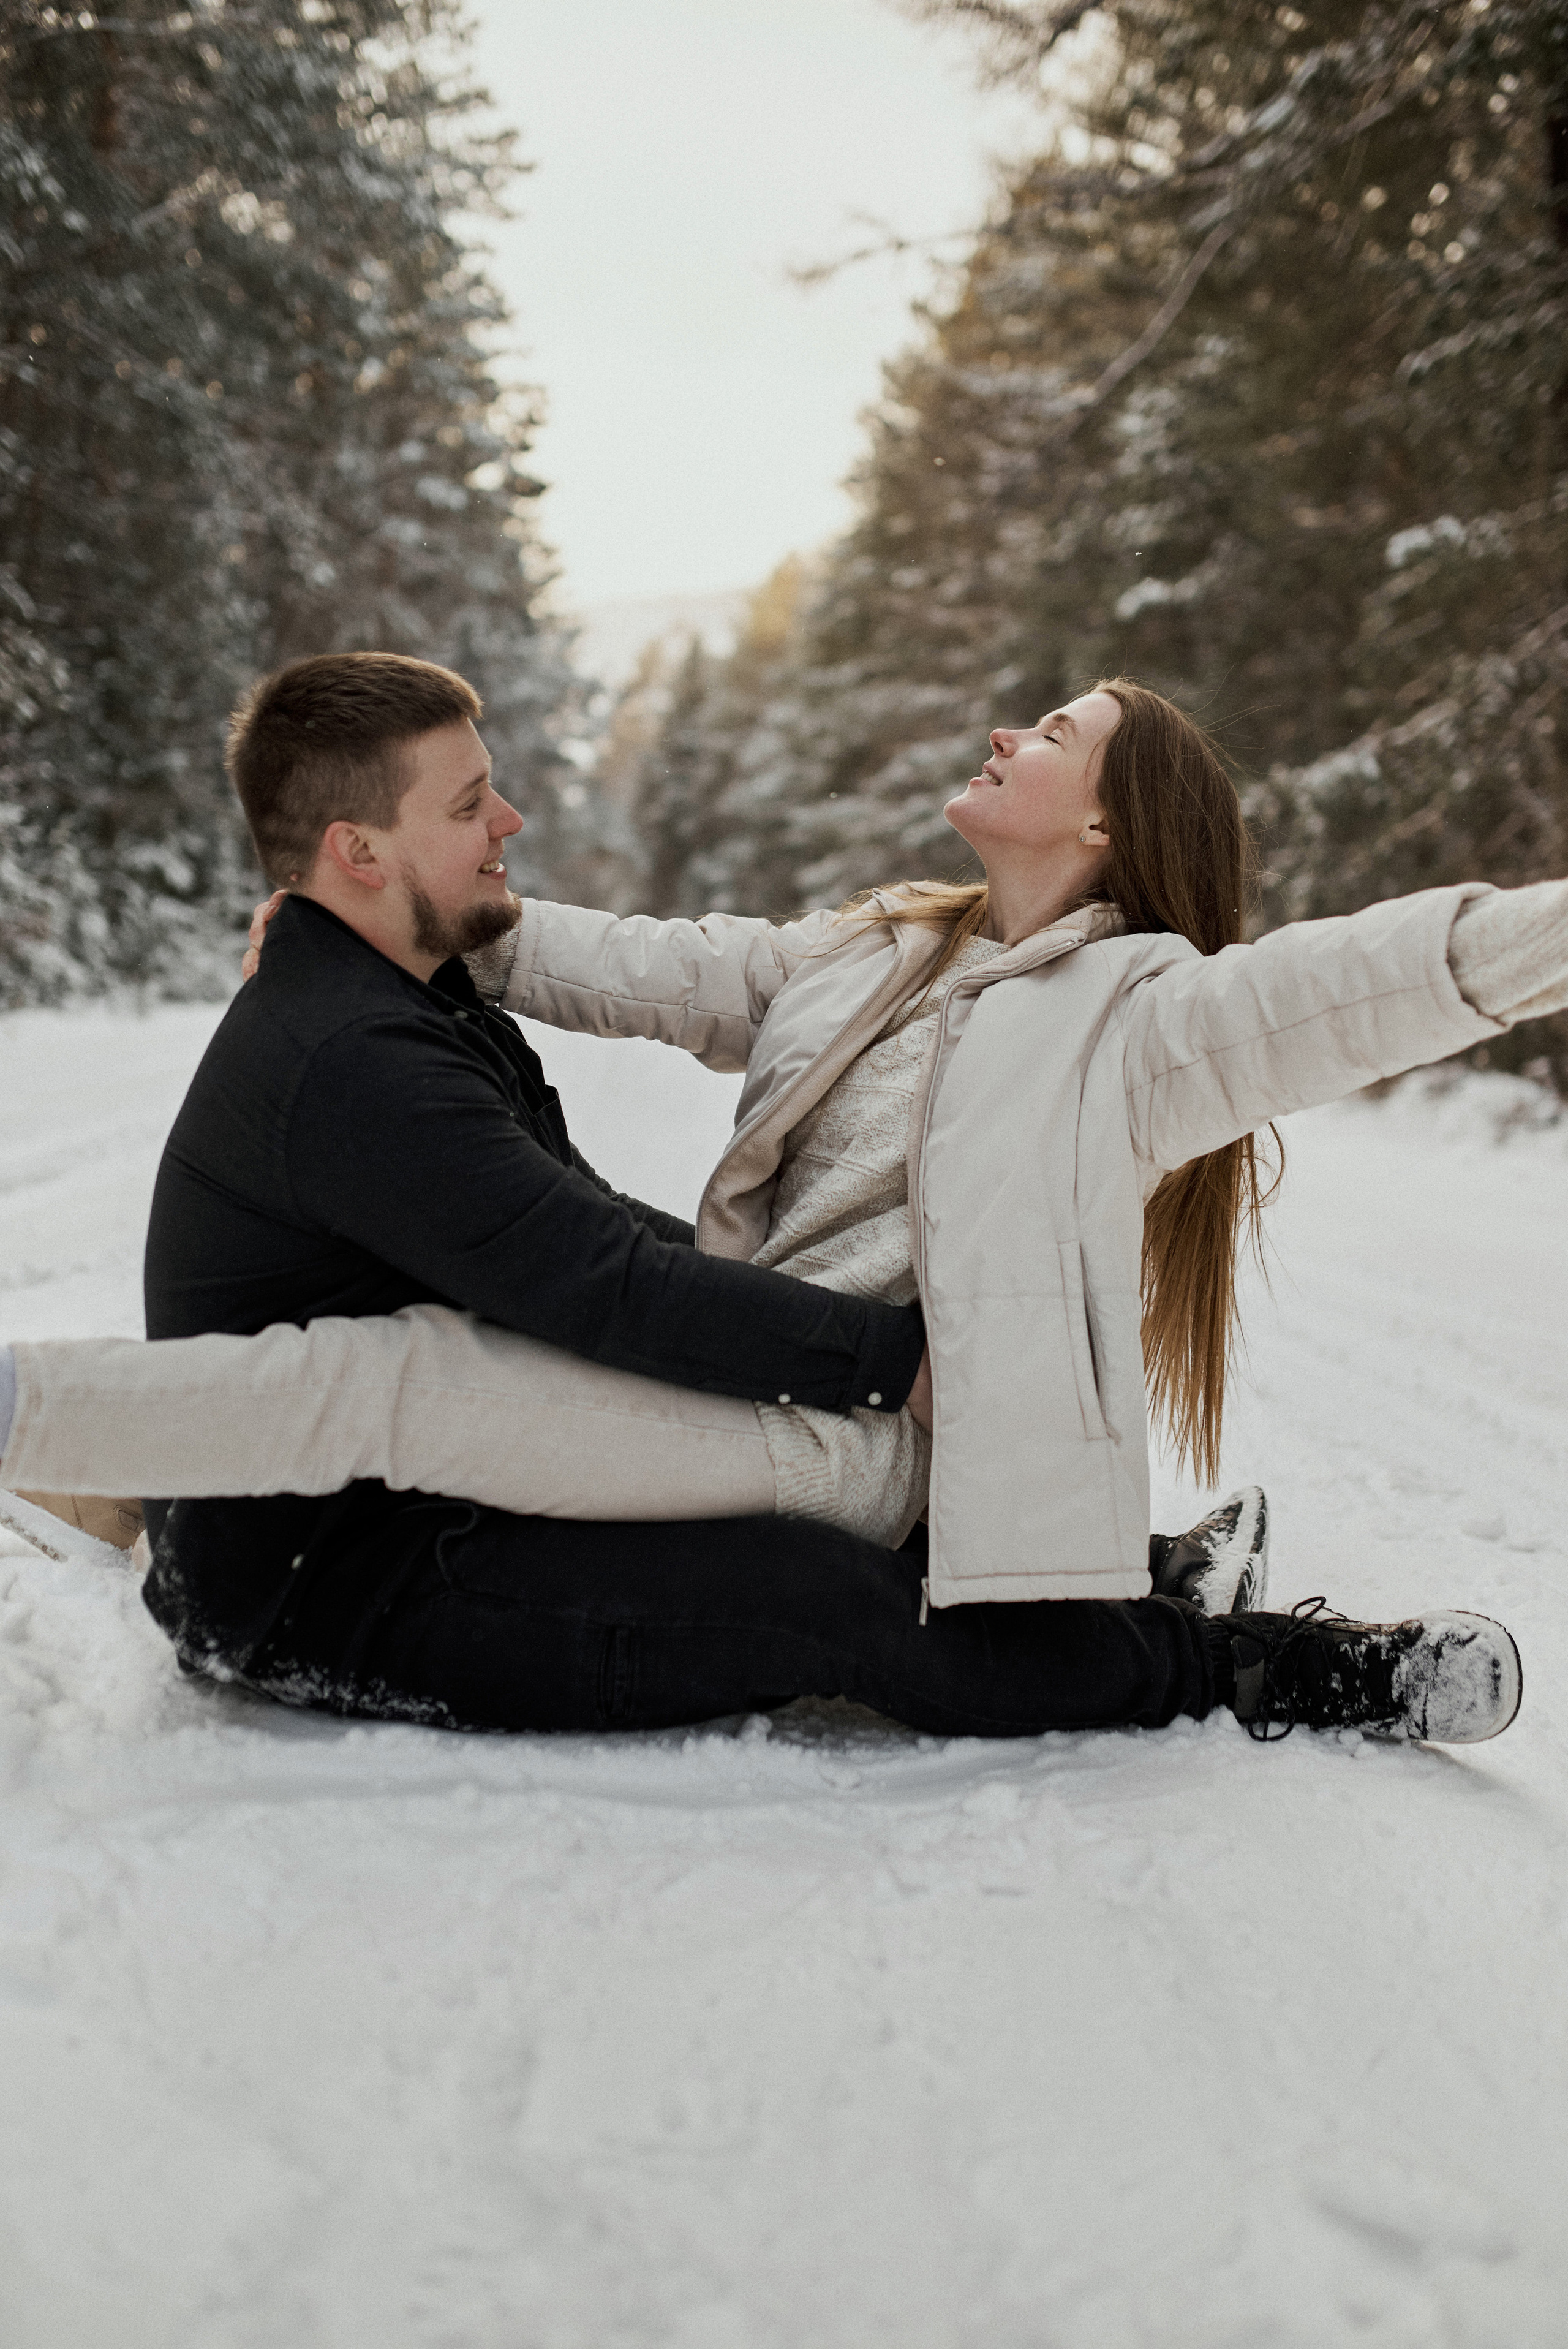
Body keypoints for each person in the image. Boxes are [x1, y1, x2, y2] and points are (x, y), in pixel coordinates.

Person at [6, 655, 1559, 1741]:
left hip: (853, 1431)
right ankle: (81, 1447)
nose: (1009, 732)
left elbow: (1372, 980)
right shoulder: (873, 951)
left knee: (407, 1381)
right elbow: (648, 963)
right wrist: (382, 914)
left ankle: (1287, 1668)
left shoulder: (1143, 1023)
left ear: (1103, 825)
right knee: (412, 1376)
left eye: (1054, 729)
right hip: (746, 1383)